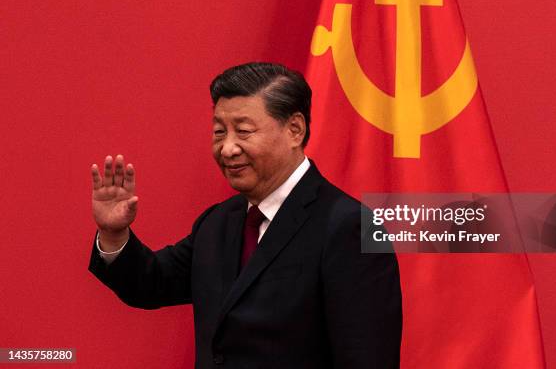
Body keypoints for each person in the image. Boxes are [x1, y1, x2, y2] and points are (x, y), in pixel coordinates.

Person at [88, 62, 402, 368]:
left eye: (243, 131)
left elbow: (366, 357)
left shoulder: (351, 227)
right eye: (219, 132)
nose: (227, 148)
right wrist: (114, 234)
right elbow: (151, 284)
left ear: (295, 130)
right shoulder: (218, 222)